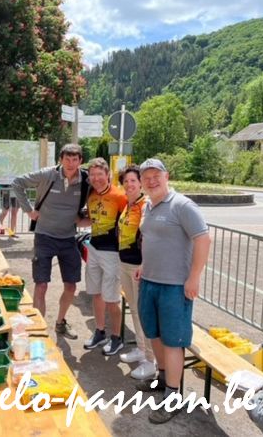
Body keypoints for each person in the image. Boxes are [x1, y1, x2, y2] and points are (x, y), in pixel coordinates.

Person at [134, 158, 211, 424]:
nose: (151, 181)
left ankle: (173, 396)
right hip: (149, 282)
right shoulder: (148, 205)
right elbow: (151, 239)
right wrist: (143, 266)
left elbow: (203, 239)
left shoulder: (182, 205)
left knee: (173, 341)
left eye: (156, 176)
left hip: (175, 286)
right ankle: (163, 379)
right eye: (146, 177)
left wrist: (194, 277)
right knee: (154, 334)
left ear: (167, 177)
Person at [12, 143, 89, 339]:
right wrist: (29, 210)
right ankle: (38, 330)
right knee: (41, 285)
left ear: (80, 161)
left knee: (71, 286)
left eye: (75, 159)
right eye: (67, 159)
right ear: (60, 160)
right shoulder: (48, 175)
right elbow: (18, 183)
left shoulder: (86, 180)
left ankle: (60, 323)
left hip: (69, 238)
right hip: (44, 236)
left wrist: (87, 217)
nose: (70, 163)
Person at [82, 158, 127, 355]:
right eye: (92, 175)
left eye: (100, 174)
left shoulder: (119, 196)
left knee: (111, 299)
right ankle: (100, 332)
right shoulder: (90, 194)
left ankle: (116, 338)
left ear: (108, 175)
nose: (96, 178)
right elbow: (90, 220)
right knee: (95, 293)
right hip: (93, 248)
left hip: (112, 253)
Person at [116, 164, 156, 379]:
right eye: (126, 181)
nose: (129, 184)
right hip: (125, 263)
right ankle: (141, 349)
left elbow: (149, 236)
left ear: (140, 183)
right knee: (133, 309)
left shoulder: (145, 205)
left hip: (139, 267)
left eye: (133, 180)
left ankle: (150, 360)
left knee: (144, 313)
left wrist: (144, 263)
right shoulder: (128, 205)